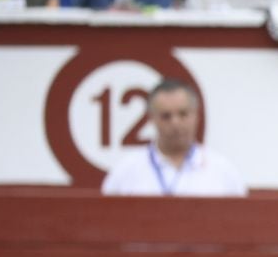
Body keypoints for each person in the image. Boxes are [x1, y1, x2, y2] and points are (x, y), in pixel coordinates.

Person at [100, 80, 248, 197]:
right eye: (166, 116)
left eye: (183, 114)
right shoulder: (126, 171)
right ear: (151, 119)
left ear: (196, 115)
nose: (175, 123)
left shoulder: (223, 171)